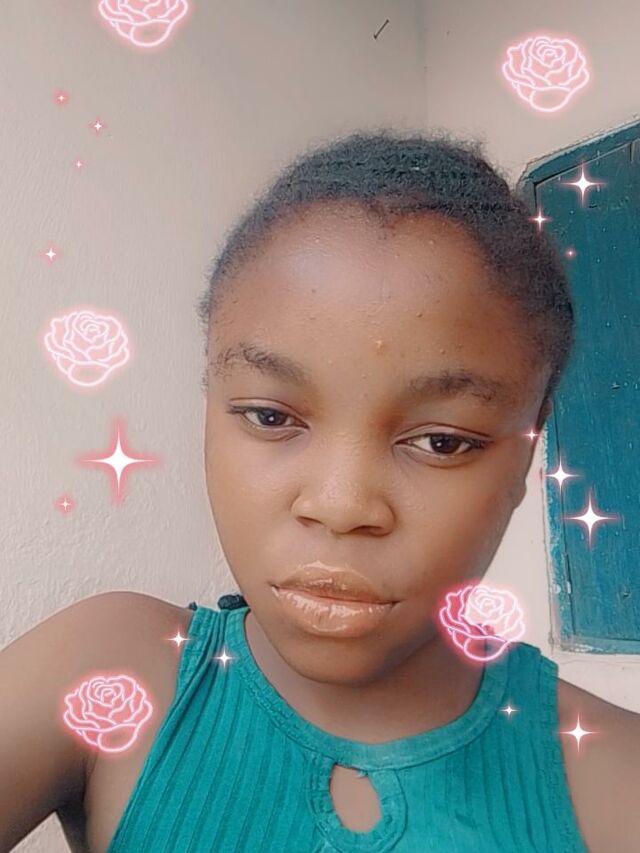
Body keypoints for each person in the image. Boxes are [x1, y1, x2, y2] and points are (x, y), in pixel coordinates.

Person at [1, 128, 638, 853]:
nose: (340, 505)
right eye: (271, 417)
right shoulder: (110, 672)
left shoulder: (614, 780)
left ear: (529, 448)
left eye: (441, 441)